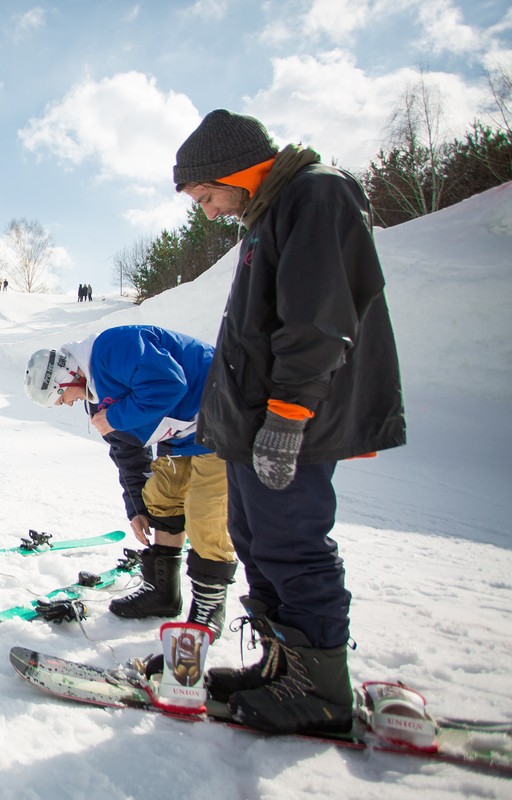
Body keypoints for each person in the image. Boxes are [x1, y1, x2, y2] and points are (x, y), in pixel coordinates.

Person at [173, 110, 405, 735]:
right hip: (255, 427)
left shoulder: (315, 194)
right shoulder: (268, 213)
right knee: (256, 539)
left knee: (294, 546)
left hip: (288, 425)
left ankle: (322, 692)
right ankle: (285, 668)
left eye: (207, 195)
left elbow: (319, 321)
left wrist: (286, 418)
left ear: (236, 172)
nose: (208, 211)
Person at [24, 325, 237, 638]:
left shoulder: (113, 348)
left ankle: (208, 604)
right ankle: (162, 593)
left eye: (61, 398)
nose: (67, 404)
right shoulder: (96, 398)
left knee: (205, 511)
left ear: (66, 377)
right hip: (182, 434)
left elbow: (169, 384)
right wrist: (136, 508)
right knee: (161, 497)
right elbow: (127, 452)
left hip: (222, 413)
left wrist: (114, 417)